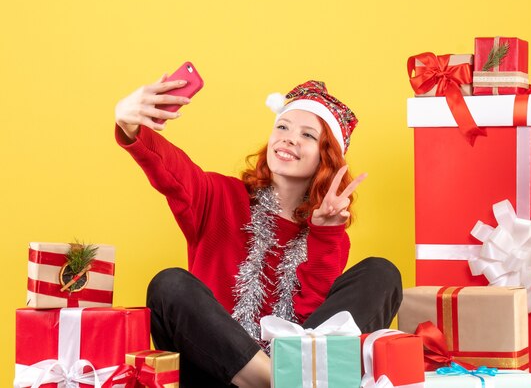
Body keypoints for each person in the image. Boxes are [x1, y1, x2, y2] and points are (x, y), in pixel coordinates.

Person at [114, 77, 402, 388]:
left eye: (307, 134)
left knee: (381, 273)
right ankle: (277, 381)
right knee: (168, 284)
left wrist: (325, 235)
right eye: (282, 127)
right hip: (217, 375)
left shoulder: (329, 234)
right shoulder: (218, 195)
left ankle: (290, 376)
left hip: (303, 364)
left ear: (326, 157)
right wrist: (132, 128)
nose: (289, 138)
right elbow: (172, 172)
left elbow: (314, 324)